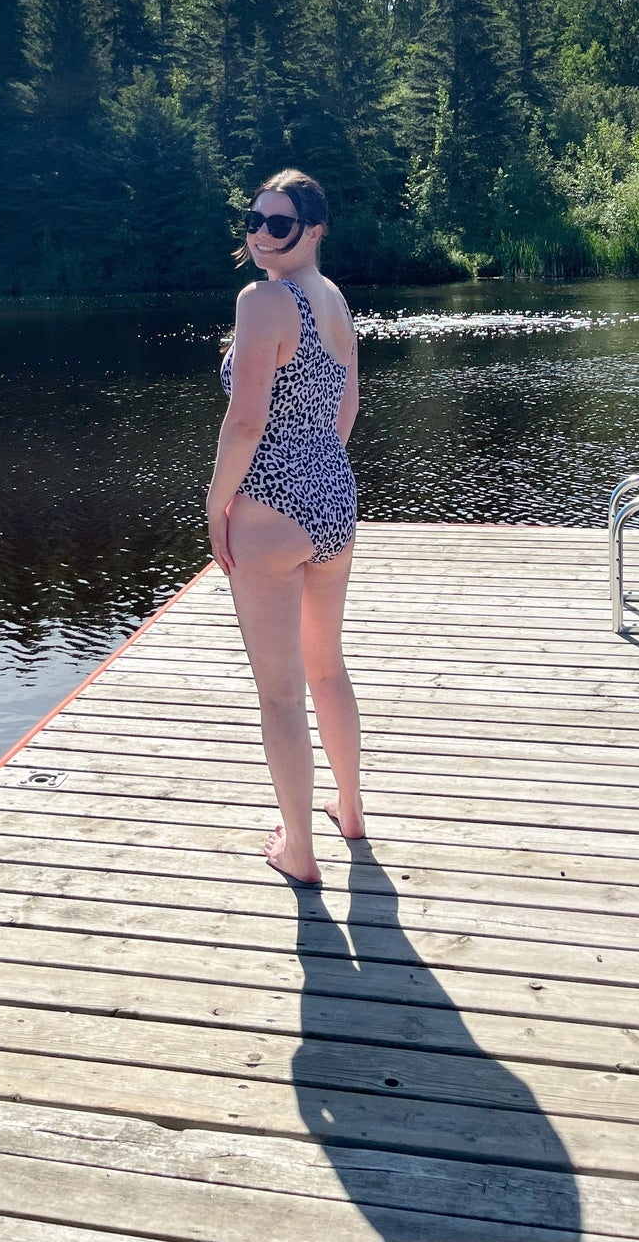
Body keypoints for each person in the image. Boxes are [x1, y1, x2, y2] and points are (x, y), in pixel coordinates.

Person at [209, 168, 362, 884]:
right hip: (334, 502)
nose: (262, 232)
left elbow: (243, 422)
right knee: (326, 663)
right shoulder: (332, 301)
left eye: (279, 221)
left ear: (314, 228)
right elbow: (345, 409)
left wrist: (218, 504)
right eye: (254, 218)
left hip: (271, 510)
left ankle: (299, 851)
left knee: (279, 692)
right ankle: (350, 808)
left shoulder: (263, 300)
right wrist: (317, 470)